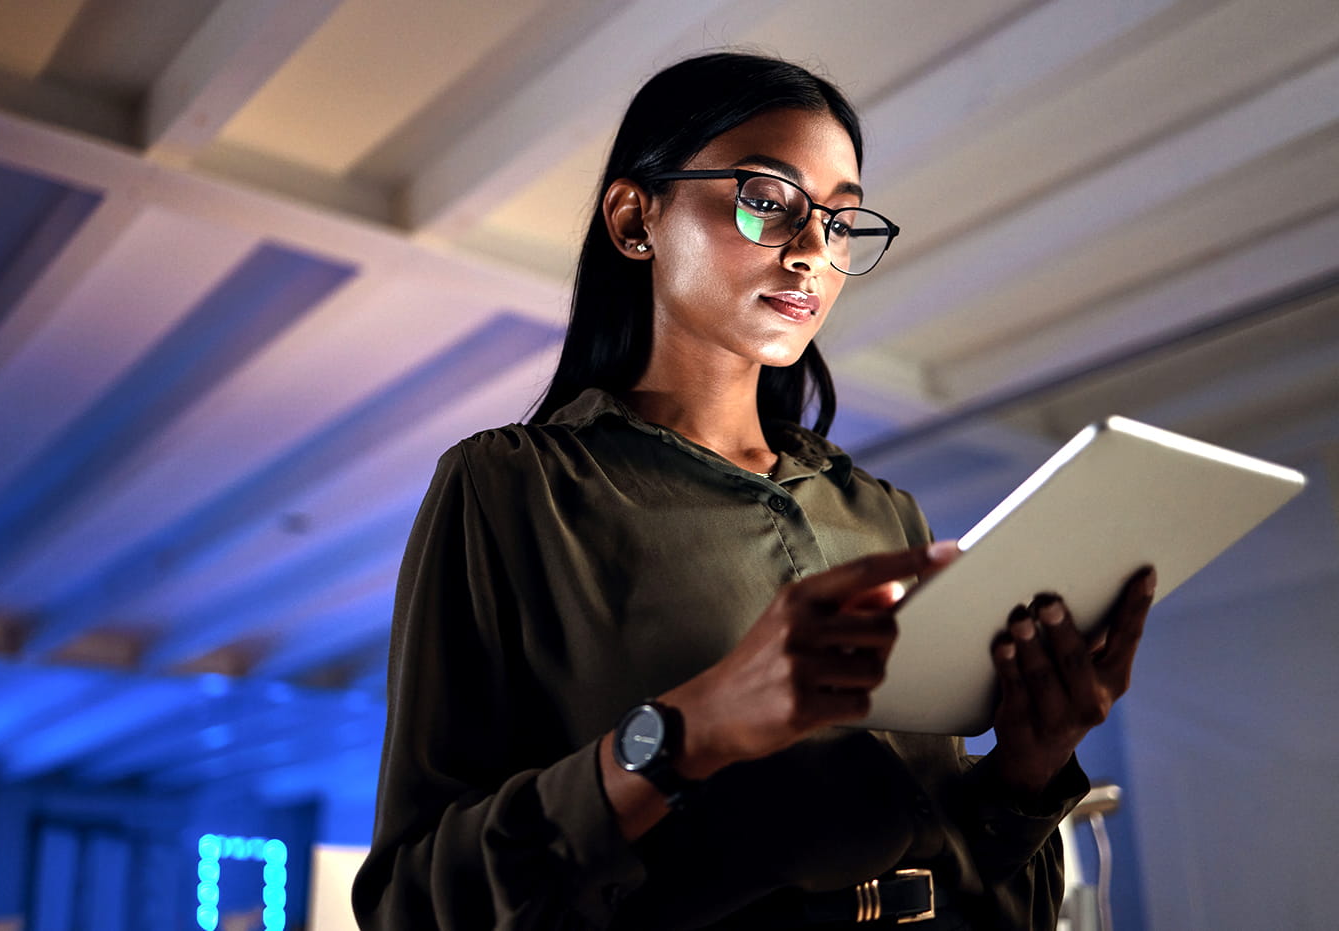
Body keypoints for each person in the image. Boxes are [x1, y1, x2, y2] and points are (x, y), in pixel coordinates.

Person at [352, 52, 1154, 930]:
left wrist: (1027, 772)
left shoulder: (884, 515)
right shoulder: (512, 489)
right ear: (635, 218)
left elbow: (981, 891)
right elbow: (411, 904)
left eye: (842, 222)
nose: (814, 252)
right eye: (769, 199)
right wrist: (688, 730)